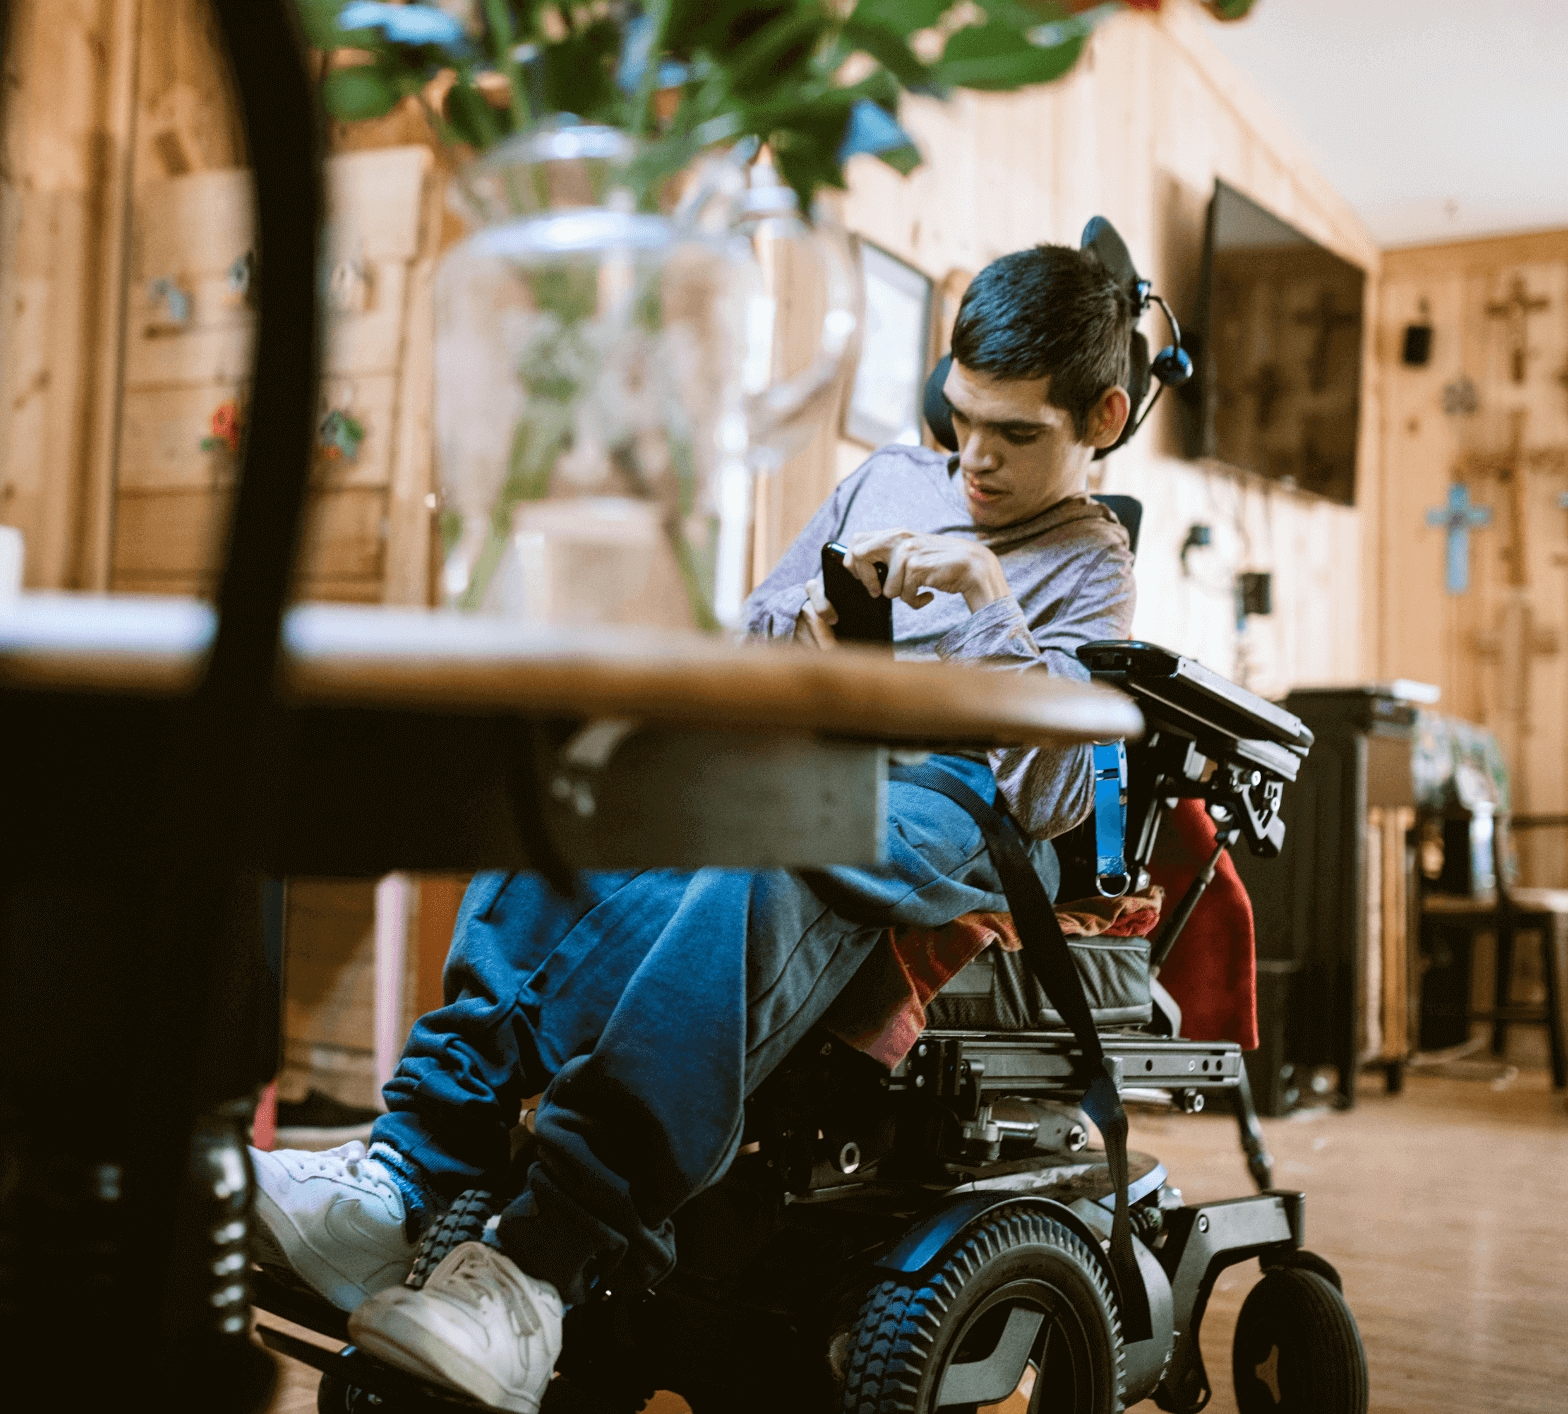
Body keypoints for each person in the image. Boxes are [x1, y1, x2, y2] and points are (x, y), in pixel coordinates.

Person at [248, 242, 1140, 1414]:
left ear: (1101, 419)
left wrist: (982, 598)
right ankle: (403, 1172)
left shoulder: (1090, 560)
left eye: (1016, 435)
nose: (974, 457)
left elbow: (1047, 795)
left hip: (950, 799)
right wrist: (815, 621)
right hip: (811, 741)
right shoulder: (883, 477)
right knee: (583, 793)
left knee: (776, 846)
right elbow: (754, 631)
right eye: (964, 416)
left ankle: (537, 1268)